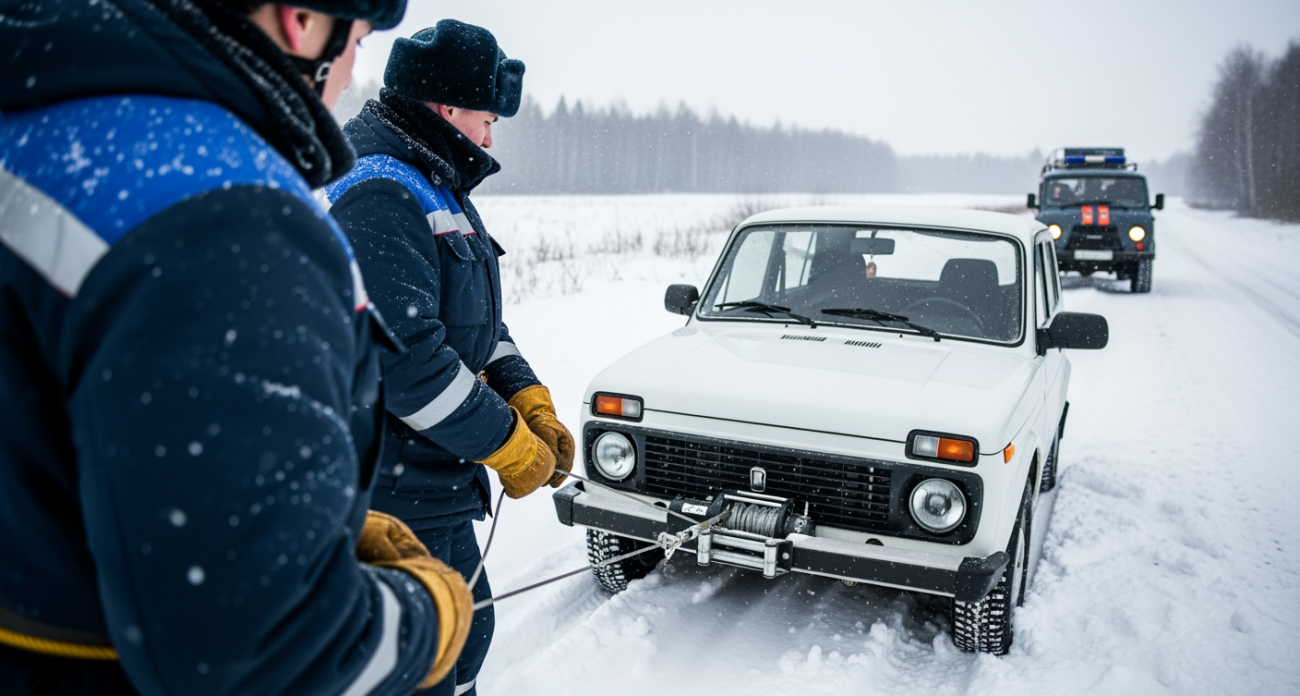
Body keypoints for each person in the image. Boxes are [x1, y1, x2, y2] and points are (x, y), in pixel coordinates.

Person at [0, 1, 477, 694]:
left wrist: (287, 513)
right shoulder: (228, 219)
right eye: (359, 43)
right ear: (301, 20)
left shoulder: (39, 130)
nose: (350, 78)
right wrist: (428, 612)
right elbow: (270, 652)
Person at [322, 20, 575, 696]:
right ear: (445, 108)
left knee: (471, 631)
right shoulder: (381, 193)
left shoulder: (438, 185)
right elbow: (409, 366)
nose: (490, 139)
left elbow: (477, 324)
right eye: (486, 119)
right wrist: (509, 445)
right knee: (423, 659)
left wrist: (527, 395)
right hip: (389, 488)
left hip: (436, 480)